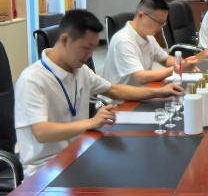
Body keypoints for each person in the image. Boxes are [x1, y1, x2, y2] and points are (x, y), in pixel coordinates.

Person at [15, 10, 184, 176]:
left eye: (93, 48)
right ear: (65, 40)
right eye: (85, 48)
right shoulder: (33, 79)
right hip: (46, 169)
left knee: (140, 164)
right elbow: (41, 132)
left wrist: (159, 92)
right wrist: (91, 122)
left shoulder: (80, 70)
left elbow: (113, 90)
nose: (89, 55)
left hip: (78, 153)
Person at [102, 0, 199, 86]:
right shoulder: (123, 40)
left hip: (140, 91)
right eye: (158, 22)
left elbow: (165, 59)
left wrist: (182, 62)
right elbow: (140, 77)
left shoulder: (148, 37)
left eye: (163, 23)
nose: (161, 27)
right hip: (119, 97)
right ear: (141, 16)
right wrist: (178, 68)